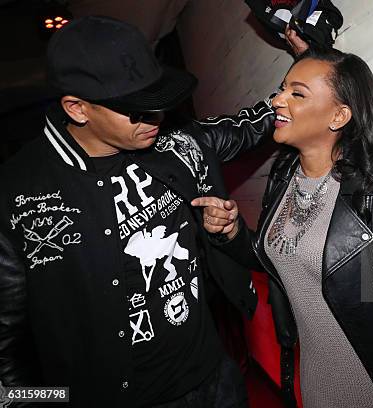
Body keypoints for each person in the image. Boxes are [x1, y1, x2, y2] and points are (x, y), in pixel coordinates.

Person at [0, 15, 280, 407]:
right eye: (137, 109)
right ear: (78, 109)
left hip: (214, 376)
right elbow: (5, 343)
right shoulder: (16, 192)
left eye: (158, 100)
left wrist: (306, 71)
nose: (157, 117)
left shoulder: (172, 143)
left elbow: (247, 128)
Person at [196, 47, 373, 408]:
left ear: (338, 116)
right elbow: (276, 258)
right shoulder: (283, 176)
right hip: (313, 383)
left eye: (297, 93)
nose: (277, 101)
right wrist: (231, 232)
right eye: (282, 89)